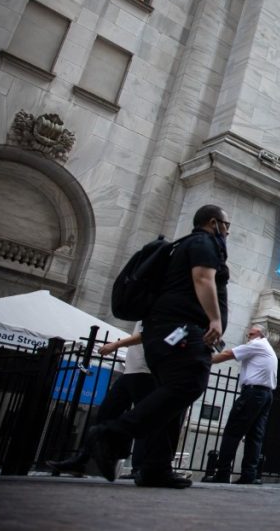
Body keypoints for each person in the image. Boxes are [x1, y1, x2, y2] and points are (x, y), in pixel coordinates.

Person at [85, 204, 231, 489]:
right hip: (180, 329)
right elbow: (203, 278)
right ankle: (111, 434)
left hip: (161, 331)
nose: (227, 231)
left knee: (172, 399)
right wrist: (215, 319)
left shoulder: (181, 247)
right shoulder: (203, 242)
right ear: (214, 223)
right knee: (189, 382)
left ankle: (155, 467)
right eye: (226, 225)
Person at [46, 324, 156, 478]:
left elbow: (147, 333)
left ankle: (139, 468)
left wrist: (115, 344)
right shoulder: (143, 309)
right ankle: (81, 461)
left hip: (146, 373)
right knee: (104, 415)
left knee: (142, 421)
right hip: (130, 372)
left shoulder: (154, 307)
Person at [202, 325, 278, 484]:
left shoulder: (257, 343)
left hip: (253, 393)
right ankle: (249, 474)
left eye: (251, 334)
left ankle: (222, 473)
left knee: (232, 431)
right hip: (266, 395)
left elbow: (229, 353)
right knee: (254, 436)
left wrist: (205, 360)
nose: (248, 336)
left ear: (260, 334)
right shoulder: (267, 347)